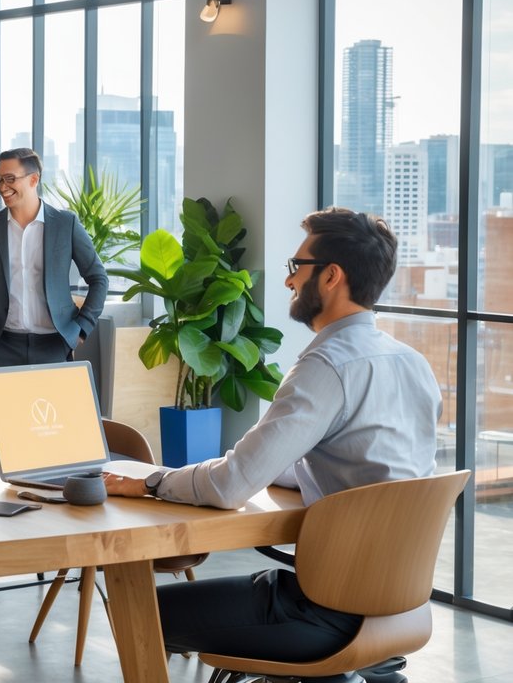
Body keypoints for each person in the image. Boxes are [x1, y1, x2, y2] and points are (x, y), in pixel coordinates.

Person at [103, 208, 440, 683]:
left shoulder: (327, 366)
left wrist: (153, 480)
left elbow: (231, 487)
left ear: (331, 276)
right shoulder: (411, 362)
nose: (288, 282)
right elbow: (366, 466)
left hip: (328, 613)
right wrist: (258, 466)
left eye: (295, 267)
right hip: (401, 607)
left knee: (137, 606)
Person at [0, 147, 108, 368]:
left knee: (50, 404)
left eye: (10, 179)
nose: (2, 186)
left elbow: (99, 278)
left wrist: (82, 328)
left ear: (33, 179)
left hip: (54, 346)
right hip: (0, 346)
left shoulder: (66, 224)